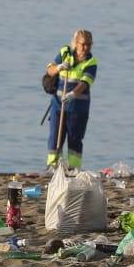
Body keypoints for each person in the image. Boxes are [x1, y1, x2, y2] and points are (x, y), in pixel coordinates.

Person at [44, 29, 98, 170]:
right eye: (83, 44)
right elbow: (49, 70)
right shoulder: (65, 53)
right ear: (76, 43)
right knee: (55, 137)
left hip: (78, 108)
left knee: (75, 139)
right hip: (58, 105)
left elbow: (85, 83)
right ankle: (53, 166)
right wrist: (59, 67)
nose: (86, 48)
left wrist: (72, 94)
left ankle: (74, 168)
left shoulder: (91, 62)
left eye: (89, 45)